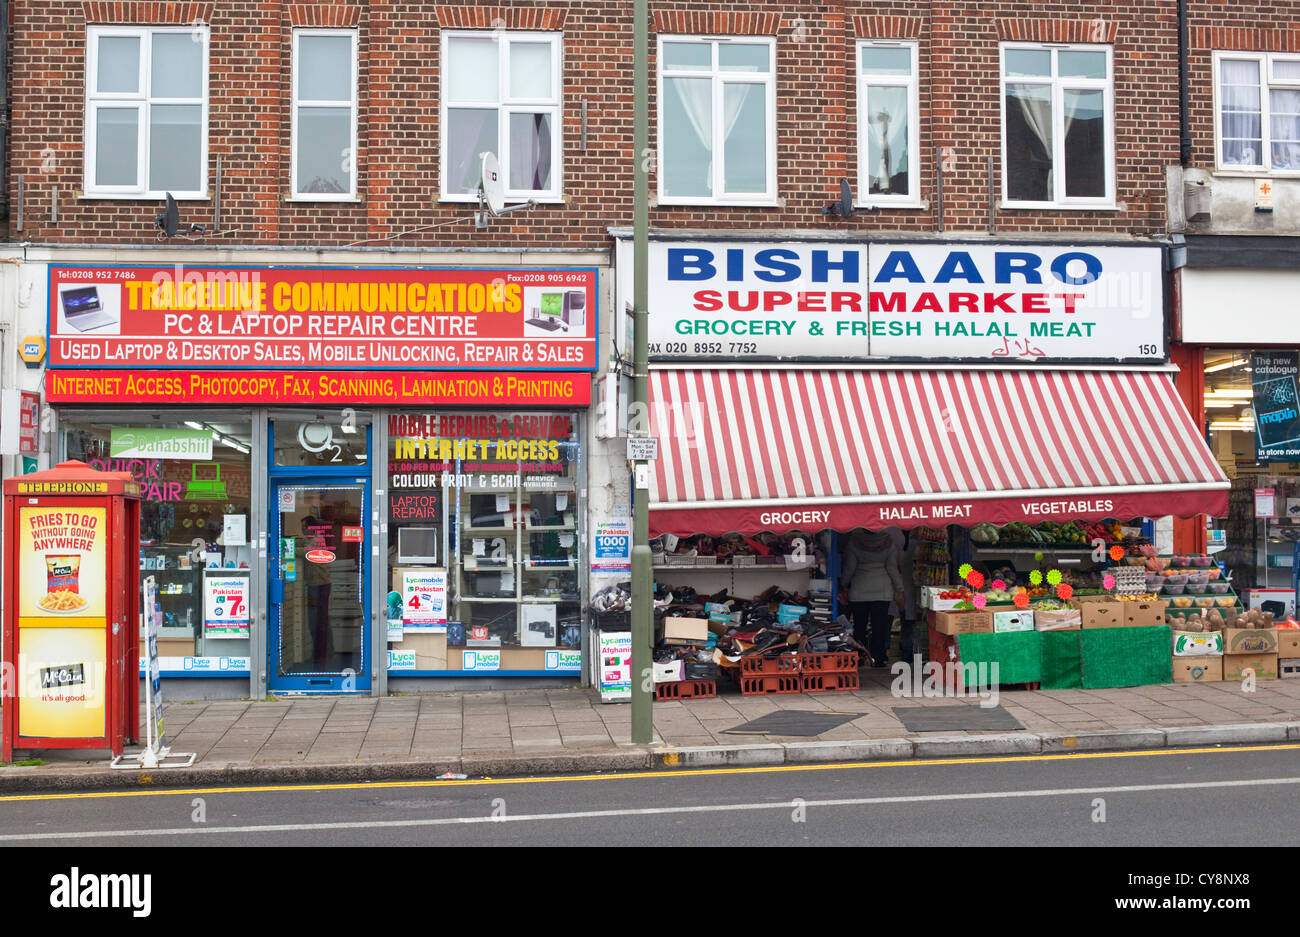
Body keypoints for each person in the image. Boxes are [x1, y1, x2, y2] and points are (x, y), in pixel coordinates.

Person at [839, 528, 905, 667]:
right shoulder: (888, 542)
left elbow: (850, 568)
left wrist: (843, 584)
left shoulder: (854, 543)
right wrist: (899, 588)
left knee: (860, 626)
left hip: (859, 589)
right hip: (882, 590)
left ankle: (860, 657)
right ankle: (878, 658)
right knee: (879, 627)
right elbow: (892, 568)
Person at [887, 527, 919, 663]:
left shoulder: (891, 536)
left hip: (899, 586)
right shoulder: (914, 543)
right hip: (899, 586)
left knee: (901, 621)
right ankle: (905, 653)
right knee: (904, 622)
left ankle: (897, 651)